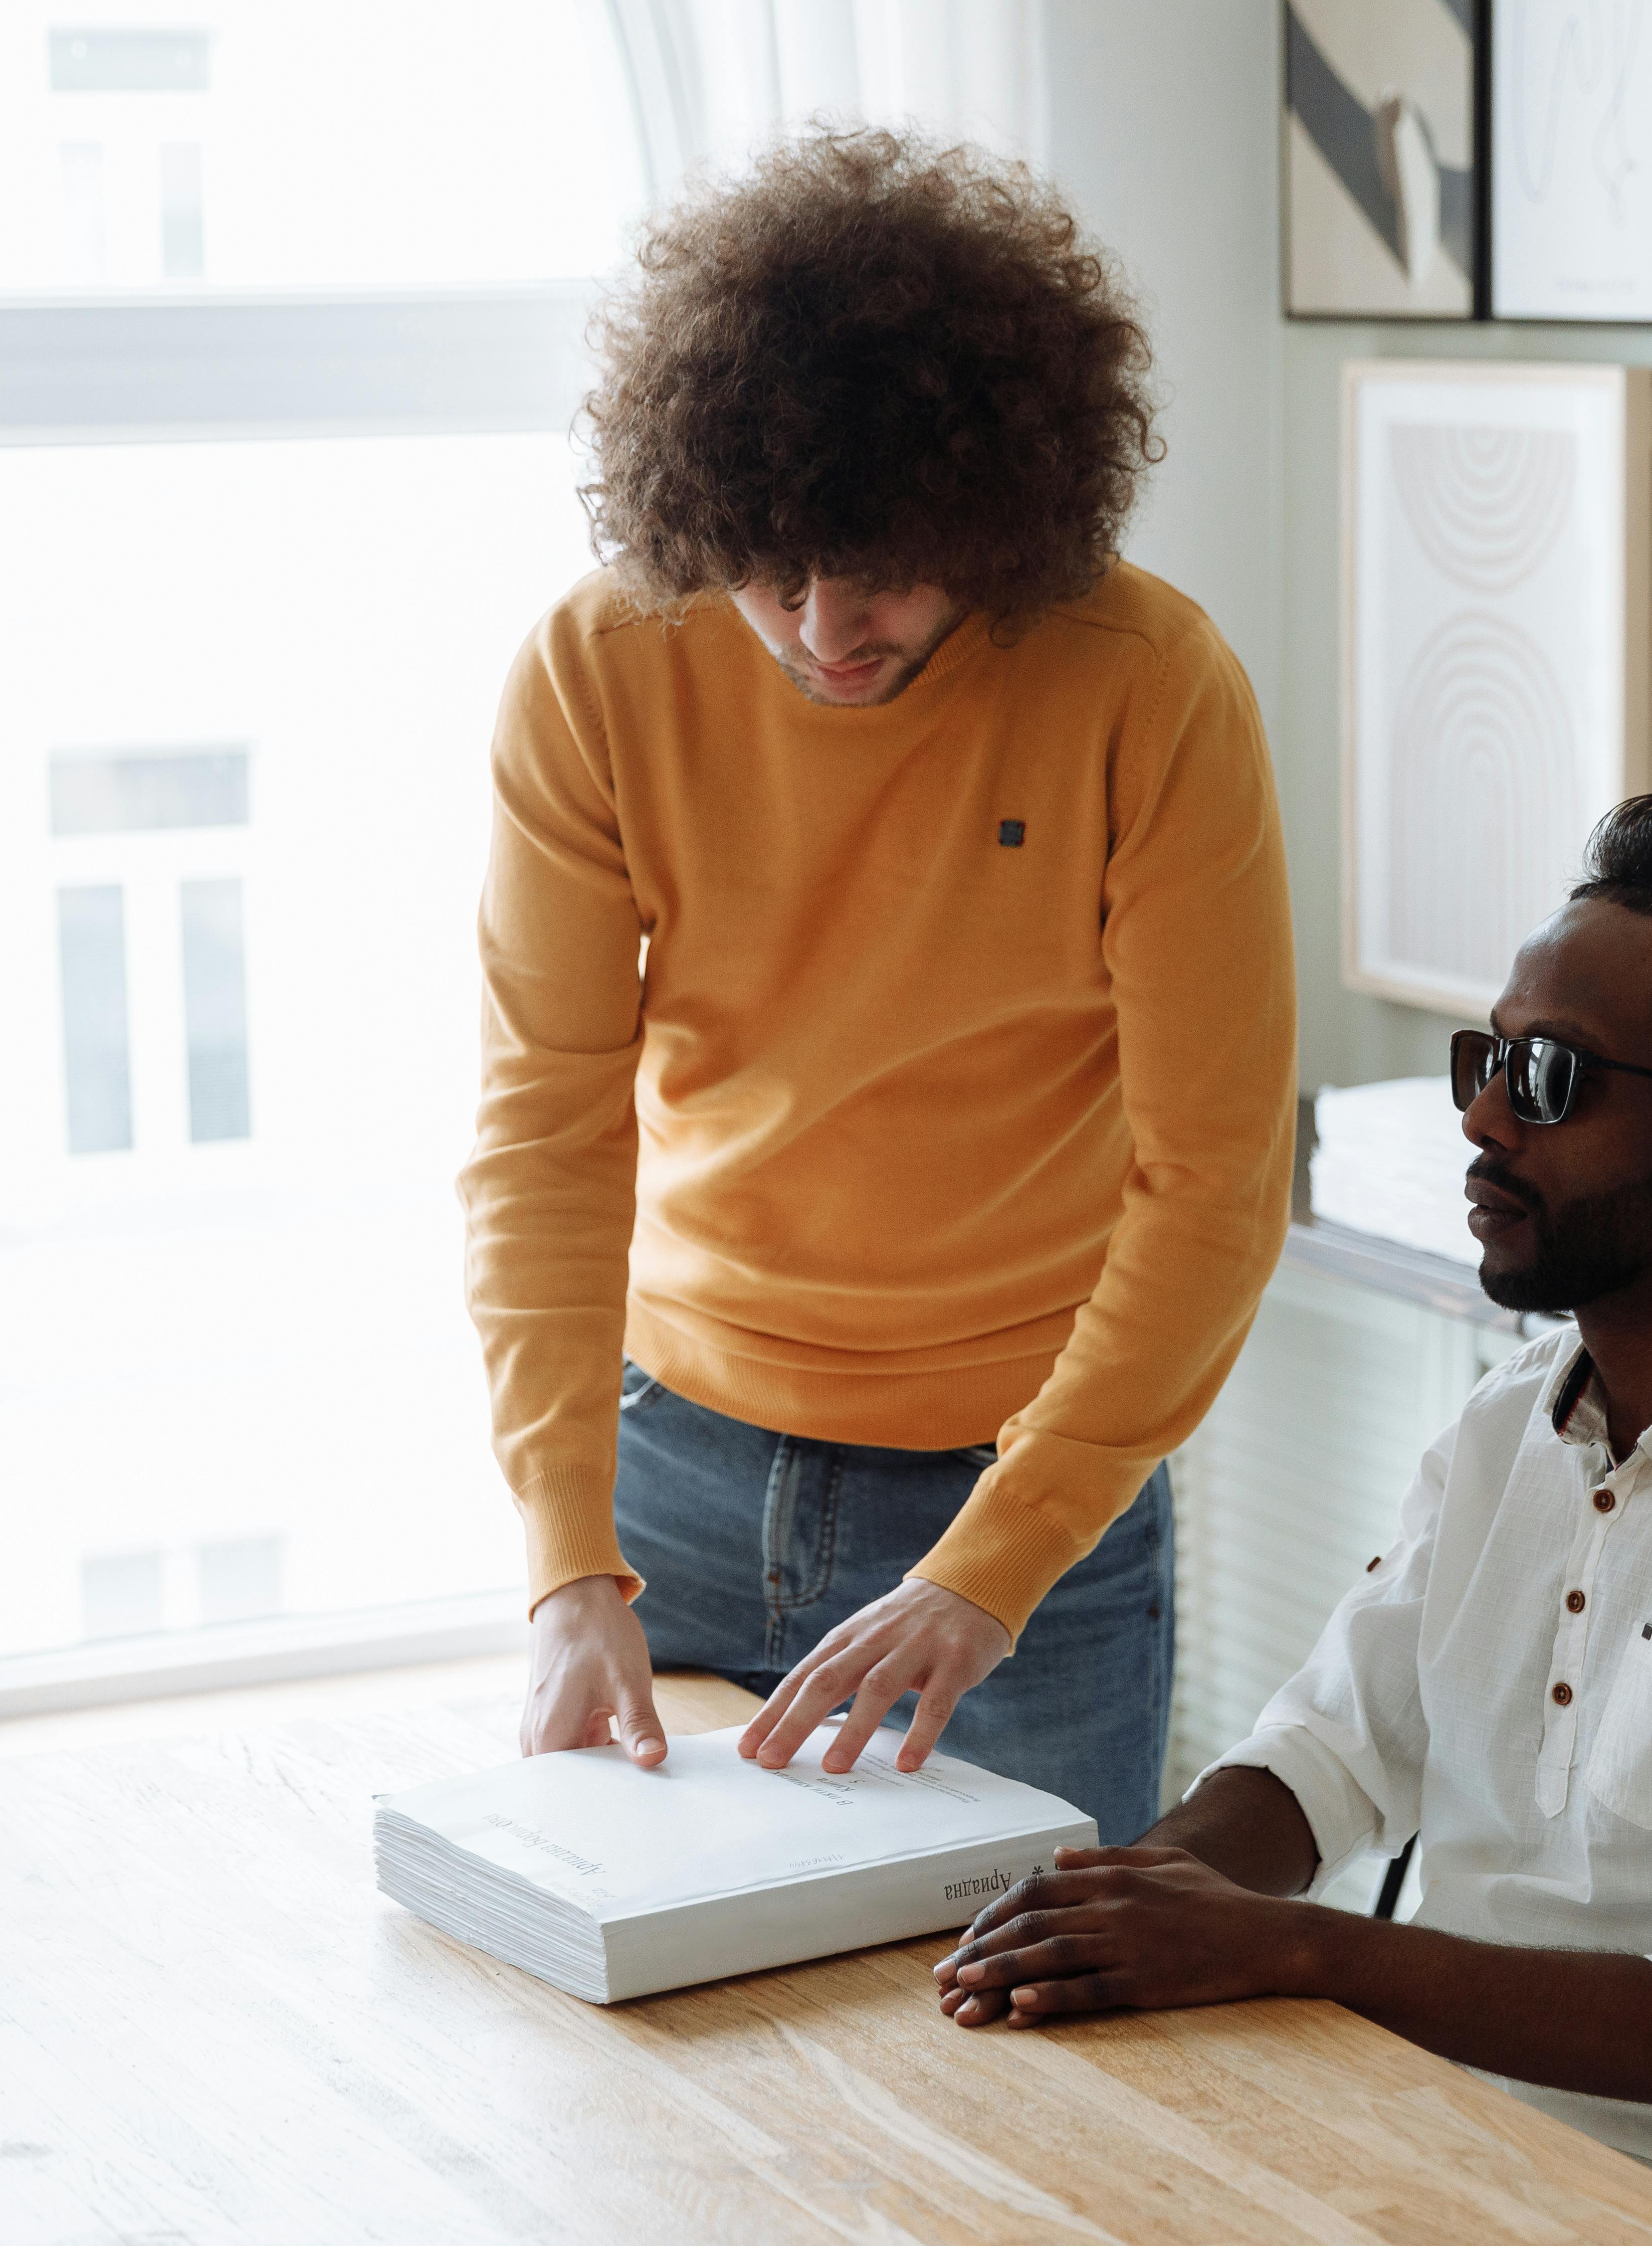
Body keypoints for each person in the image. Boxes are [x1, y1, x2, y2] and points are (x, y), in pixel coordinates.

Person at [932, 796, 1652, 2244]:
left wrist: (1276, 1945)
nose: (1478, 1115)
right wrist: (1123, 1907)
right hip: (1401, 2149)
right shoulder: (1501, 1426)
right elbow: (1330, 1760)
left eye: (1550, 1077)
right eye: (1489, 1057)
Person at [458, 129, 1296, 1844]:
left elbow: (1214, 1184)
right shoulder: (598, 669)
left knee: (1029, 2046)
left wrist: (997, 1564)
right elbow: (542, 1130)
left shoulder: (1151, 689)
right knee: (655, 2070)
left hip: (1025, 1493)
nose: (828, 627)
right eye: (774, 568)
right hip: (667, 1470)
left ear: (1000, 514)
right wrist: (564, 1559)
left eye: (891, 565)